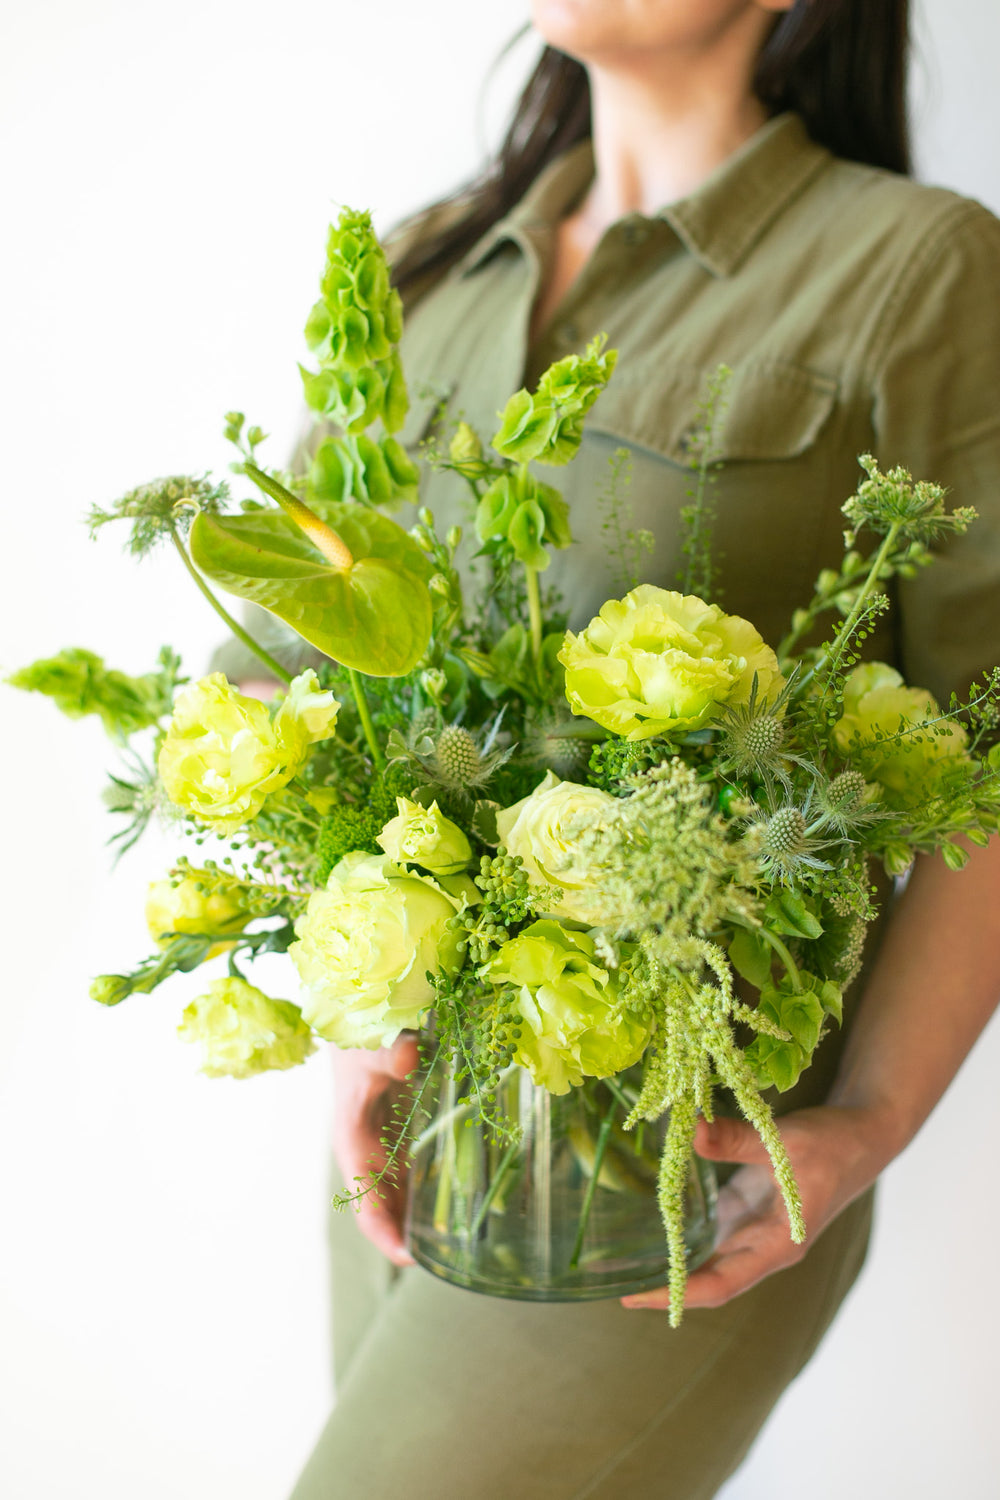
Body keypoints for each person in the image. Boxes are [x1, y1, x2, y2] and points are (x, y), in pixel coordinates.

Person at [273, 4, 1000, 1495]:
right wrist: (350, 1015)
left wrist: (868, 1120)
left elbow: (996, 731)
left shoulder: (918, 265)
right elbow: (300, 681)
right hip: (427, 1131)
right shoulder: (426, 269)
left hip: (688, 1167)